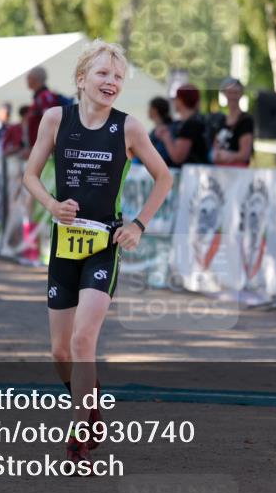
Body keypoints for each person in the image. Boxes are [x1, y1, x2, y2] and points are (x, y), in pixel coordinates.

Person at [22, 40, 173, 468]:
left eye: (118, 77)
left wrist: (138, 225)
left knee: (83, 339)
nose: (111, 82)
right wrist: (52, 205)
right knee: (60, 353)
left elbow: (164, 177)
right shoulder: (56, 119)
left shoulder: (129, 128)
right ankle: (88, 398)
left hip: (104, 247)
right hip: (64, 245)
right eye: (103, 73)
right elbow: (30, 175)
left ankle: (77, 438)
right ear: (82, 78)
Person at [154, 84, 209, 166]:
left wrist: (165, 136)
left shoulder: (191, 124)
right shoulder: (195, 121)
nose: (174, 101)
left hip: (192, 172)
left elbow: (178, 157)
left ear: (181, 100)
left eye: (176, 98)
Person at [211, 77, 254, 167]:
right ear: (225, 94)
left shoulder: (245, 121)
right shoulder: (221, 120)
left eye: (235, 93)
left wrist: (229, 156)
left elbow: (245, 154)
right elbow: (215, 147)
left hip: (237, 170)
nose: (232, 96)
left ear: (241, 94)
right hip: (219, 169)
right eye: (230, 92)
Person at [25, 65, 64, 159]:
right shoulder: (39, 97)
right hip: (40, 150)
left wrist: (43, 149)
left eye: (28, 78)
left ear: (34, 78)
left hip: (45, 152)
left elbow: (51, 124)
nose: (26, 81)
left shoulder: (45, 97)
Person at [146, 96, 175, 167]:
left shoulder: (166, 130)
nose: (147, 111)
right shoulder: (155, 130)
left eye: (150, 108)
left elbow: (160, 154)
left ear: (155, 110)